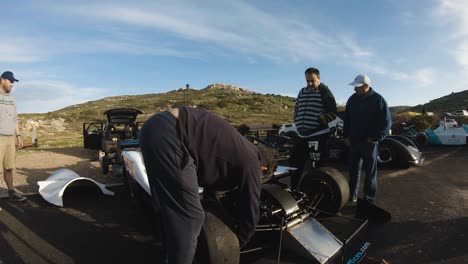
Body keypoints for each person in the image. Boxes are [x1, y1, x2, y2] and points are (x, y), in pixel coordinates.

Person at [139, 106, 273, 264]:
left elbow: (211, 189)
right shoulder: (252, 162)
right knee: (190, 217)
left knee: (169, 208)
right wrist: (237, 243)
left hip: (153, 128)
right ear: (264, 167)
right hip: (171, 133)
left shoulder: (239, 149)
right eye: (261, 177)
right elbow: (251, 212)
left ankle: (171, 256)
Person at [343, 74, 391, 204]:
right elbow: (346, 119)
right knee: (353, 171)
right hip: (353, 142)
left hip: (369, 143)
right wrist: (345, 136)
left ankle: (368, 201)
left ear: (366, 86)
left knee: (370, 174)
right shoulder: (352, 99)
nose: (355, 89)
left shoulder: (378, 99)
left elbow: (386, 122)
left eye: (357, 87)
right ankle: (352, 196)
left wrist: (376, 137)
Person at [290, 67, 337, 183]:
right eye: (307, 81)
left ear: (319, 78)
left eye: (312, 80)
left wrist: (319, 121)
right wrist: (296, 119)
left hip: (318, 135)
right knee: (295, 162)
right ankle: (293, 188)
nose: (310, 83)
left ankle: (316, 190)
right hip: (302, 135)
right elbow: (297, 108)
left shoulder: (324, 91)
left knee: (316, 165)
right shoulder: (302, 91)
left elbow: (333, 112)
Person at [0, 71, 27, 203]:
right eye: (10, 81)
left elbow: (15, 119)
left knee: (9, 167)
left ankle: (11, 193)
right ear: (2, 80)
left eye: (13, 82)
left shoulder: (12, 98)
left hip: (10, 137)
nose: (12, 84)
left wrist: (18, 135)